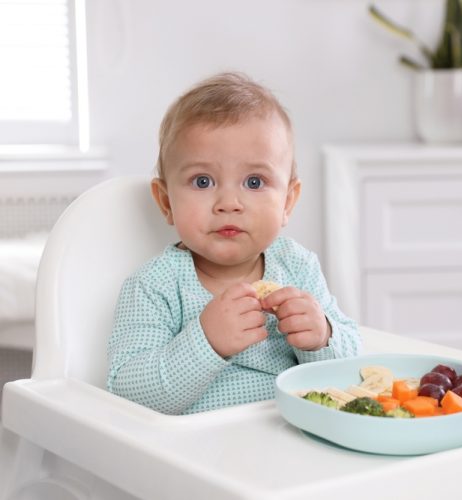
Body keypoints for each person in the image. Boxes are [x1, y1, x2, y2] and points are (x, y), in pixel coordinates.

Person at [107, 72, 360, 415]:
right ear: (166, 202)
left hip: (295, 437)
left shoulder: (298, 267)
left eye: (254, 182)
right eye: (203, 181)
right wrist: (206, 341)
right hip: (196, 452)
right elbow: (128, 392)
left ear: (287, 201)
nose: (229, 202)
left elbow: (349, 369)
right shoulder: (154, 286)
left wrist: (321, 337)